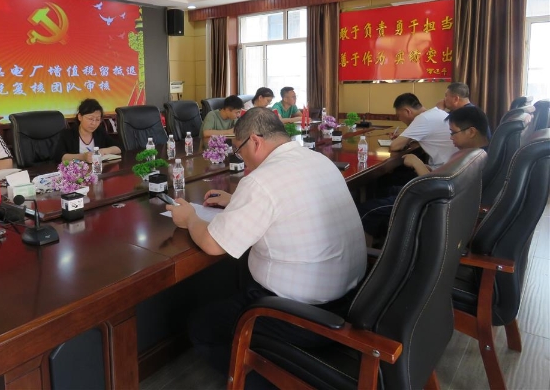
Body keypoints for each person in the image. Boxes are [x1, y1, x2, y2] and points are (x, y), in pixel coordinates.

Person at [167, 108, 366, 375]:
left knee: (201, 325)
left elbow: (213, 245)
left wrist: (190, 218)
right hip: (351, 302)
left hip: (303, 317)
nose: (243, 160)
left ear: (255, 141)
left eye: (240, 151)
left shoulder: (261, 181)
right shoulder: (318, 160)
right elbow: (291, 202)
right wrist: (236, 202)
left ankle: (261, 377)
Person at [361, 102, 487, 246]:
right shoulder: (475, 153)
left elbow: (436, 188)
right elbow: (448, 179)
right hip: (440, 201)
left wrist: (417, 164)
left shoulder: (470, 157)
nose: (450, 137)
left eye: (453, 133)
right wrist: (431, 170)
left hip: (431, 205)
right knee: (385, 191)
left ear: (471, 132)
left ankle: (366, 255)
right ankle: (381, 241)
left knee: (366, 210)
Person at [389, 92, 457, 170]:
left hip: (444, 170)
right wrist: (404, 138)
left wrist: (402, 140)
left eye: (399, 116)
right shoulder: (436, 112)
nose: (400, 119)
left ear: (407, 111)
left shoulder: (422, 118)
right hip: (455, 166)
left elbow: (394, 146)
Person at [54, 98, 121, 164]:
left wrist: (104, 151)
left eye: (97, 119)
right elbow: (60, 156)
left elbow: (119, 148)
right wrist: (83, 157)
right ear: (80, 117)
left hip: (96, 170)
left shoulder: (99, 132)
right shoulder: (67, 134)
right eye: (90, 119)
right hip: (76, 170)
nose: (94, 123)